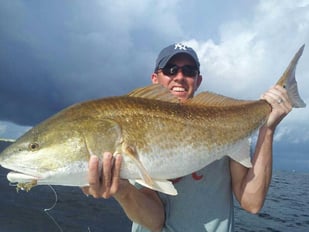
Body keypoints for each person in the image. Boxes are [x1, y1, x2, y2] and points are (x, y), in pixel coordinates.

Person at [82, 43, 292, 232]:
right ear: (155, 78)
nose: (179, 77)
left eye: (189, 71)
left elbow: (252, 203)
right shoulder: (136, 127)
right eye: (170, 70)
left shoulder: (225, 126)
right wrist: (123, 189)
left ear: (198, 80)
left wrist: (268, 129)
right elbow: (155, 221)